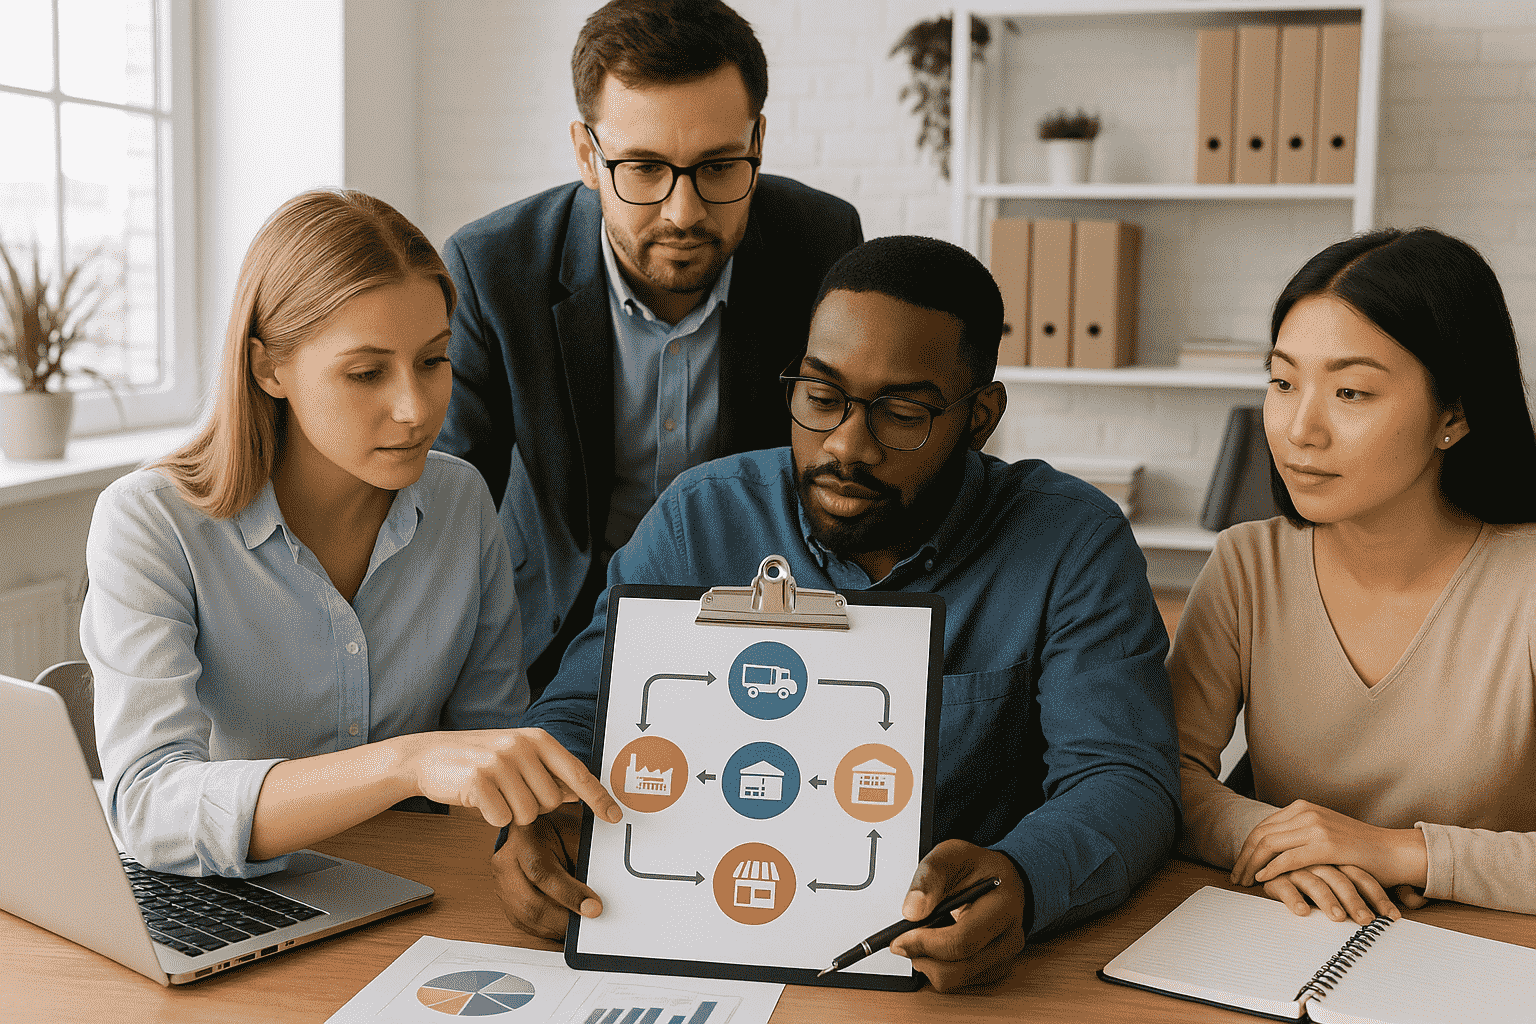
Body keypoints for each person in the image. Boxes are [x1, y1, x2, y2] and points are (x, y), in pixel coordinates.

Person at [491, 235, 1181, 991]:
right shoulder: (702, 517)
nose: (847, 446)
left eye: (902, 413)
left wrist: (1023, 879)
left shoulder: (1071, 542)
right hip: (696, 941)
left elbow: (1124, 776)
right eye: (821, 399)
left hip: (918, 968)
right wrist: (530, 821)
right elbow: (579, 709)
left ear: (980, 416)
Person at [83, 189, 620, 880]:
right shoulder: (150, 522)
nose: (415, 408)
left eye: (434, 360)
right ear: (267, 368)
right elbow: (149, 804)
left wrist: (522, 844)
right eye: (366, 373)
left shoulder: (459, 500)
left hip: (409, 889)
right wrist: (405, 764)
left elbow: (488, 747)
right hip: (228, 896)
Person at [434, 0, 864, 696]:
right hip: (555, 633)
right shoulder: (492, 268)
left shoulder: (822, 242)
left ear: (758, 140)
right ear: (587, 155)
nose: (683, 212)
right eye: (642, 168)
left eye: (720, 167)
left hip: (762, 622)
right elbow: (446, 499)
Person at [1172, 227, 1536, 925]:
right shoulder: (1247, 566)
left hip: (1489, 956)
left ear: (1453, 413)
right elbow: (1158, 780)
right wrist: (1269, 840)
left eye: (1351, 392)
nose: (1299, 428)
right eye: (1282, 383)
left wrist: (1397, 853)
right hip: (1290, 933)